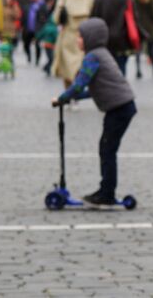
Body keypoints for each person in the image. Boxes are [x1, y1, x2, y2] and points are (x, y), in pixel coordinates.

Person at [52, 17, 138, 206]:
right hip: (123, 106)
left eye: (80, 37)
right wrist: (69, 98)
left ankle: (106, 193)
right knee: (107, 148)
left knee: (107, 149)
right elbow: (92, 90)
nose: (77, 40)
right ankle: (106, 189)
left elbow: (79, 84)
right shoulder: (101, 53)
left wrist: (62, 98)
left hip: (119, 108)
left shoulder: (93, 57)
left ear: (90, 38)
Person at [51, 0, 95, 87]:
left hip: (68, 36)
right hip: (84, 37)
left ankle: (69, 93)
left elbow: (56, 19)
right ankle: (77, 89)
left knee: (67, 68)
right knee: (79, 66)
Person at [89, 0, 135, 73]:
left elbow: (93, 20)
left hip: (104, 43)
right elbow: (133, 20)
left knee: (105, 72)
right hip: (122, 43)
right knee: (121, 72)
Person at [22, 0, 46, 65]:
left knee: (37, 45)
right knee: (26, 44)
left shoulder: (41, 6)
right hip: (28, 29)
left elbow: (44, 16)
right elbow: (24, 17)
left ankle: (37, 60)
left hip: (37, 29)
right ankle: (29, 56)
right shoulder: (27, 6)